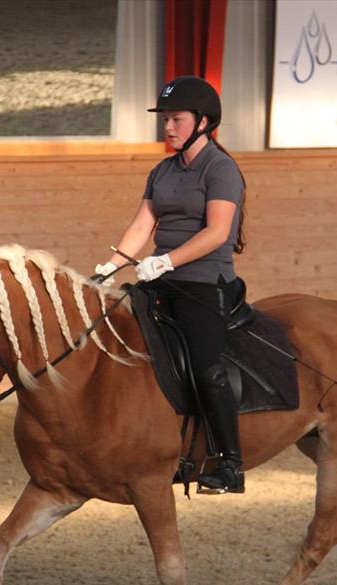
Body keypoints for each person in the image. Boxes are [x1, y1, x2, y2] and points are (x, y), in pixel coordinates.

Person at [96, 75, 248, 493]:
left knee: (206, 366)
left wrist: (165, 261)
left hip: (203, 283)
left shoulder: (221, 169)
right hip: (159, 281)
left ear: (202, 121)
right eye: (165, 119)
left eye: (176, 118)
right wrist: (106, 270)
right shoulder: (162, 171)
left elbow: (218, 233)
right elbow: (142, 225)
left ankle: (230, 464)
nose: (167, 127)